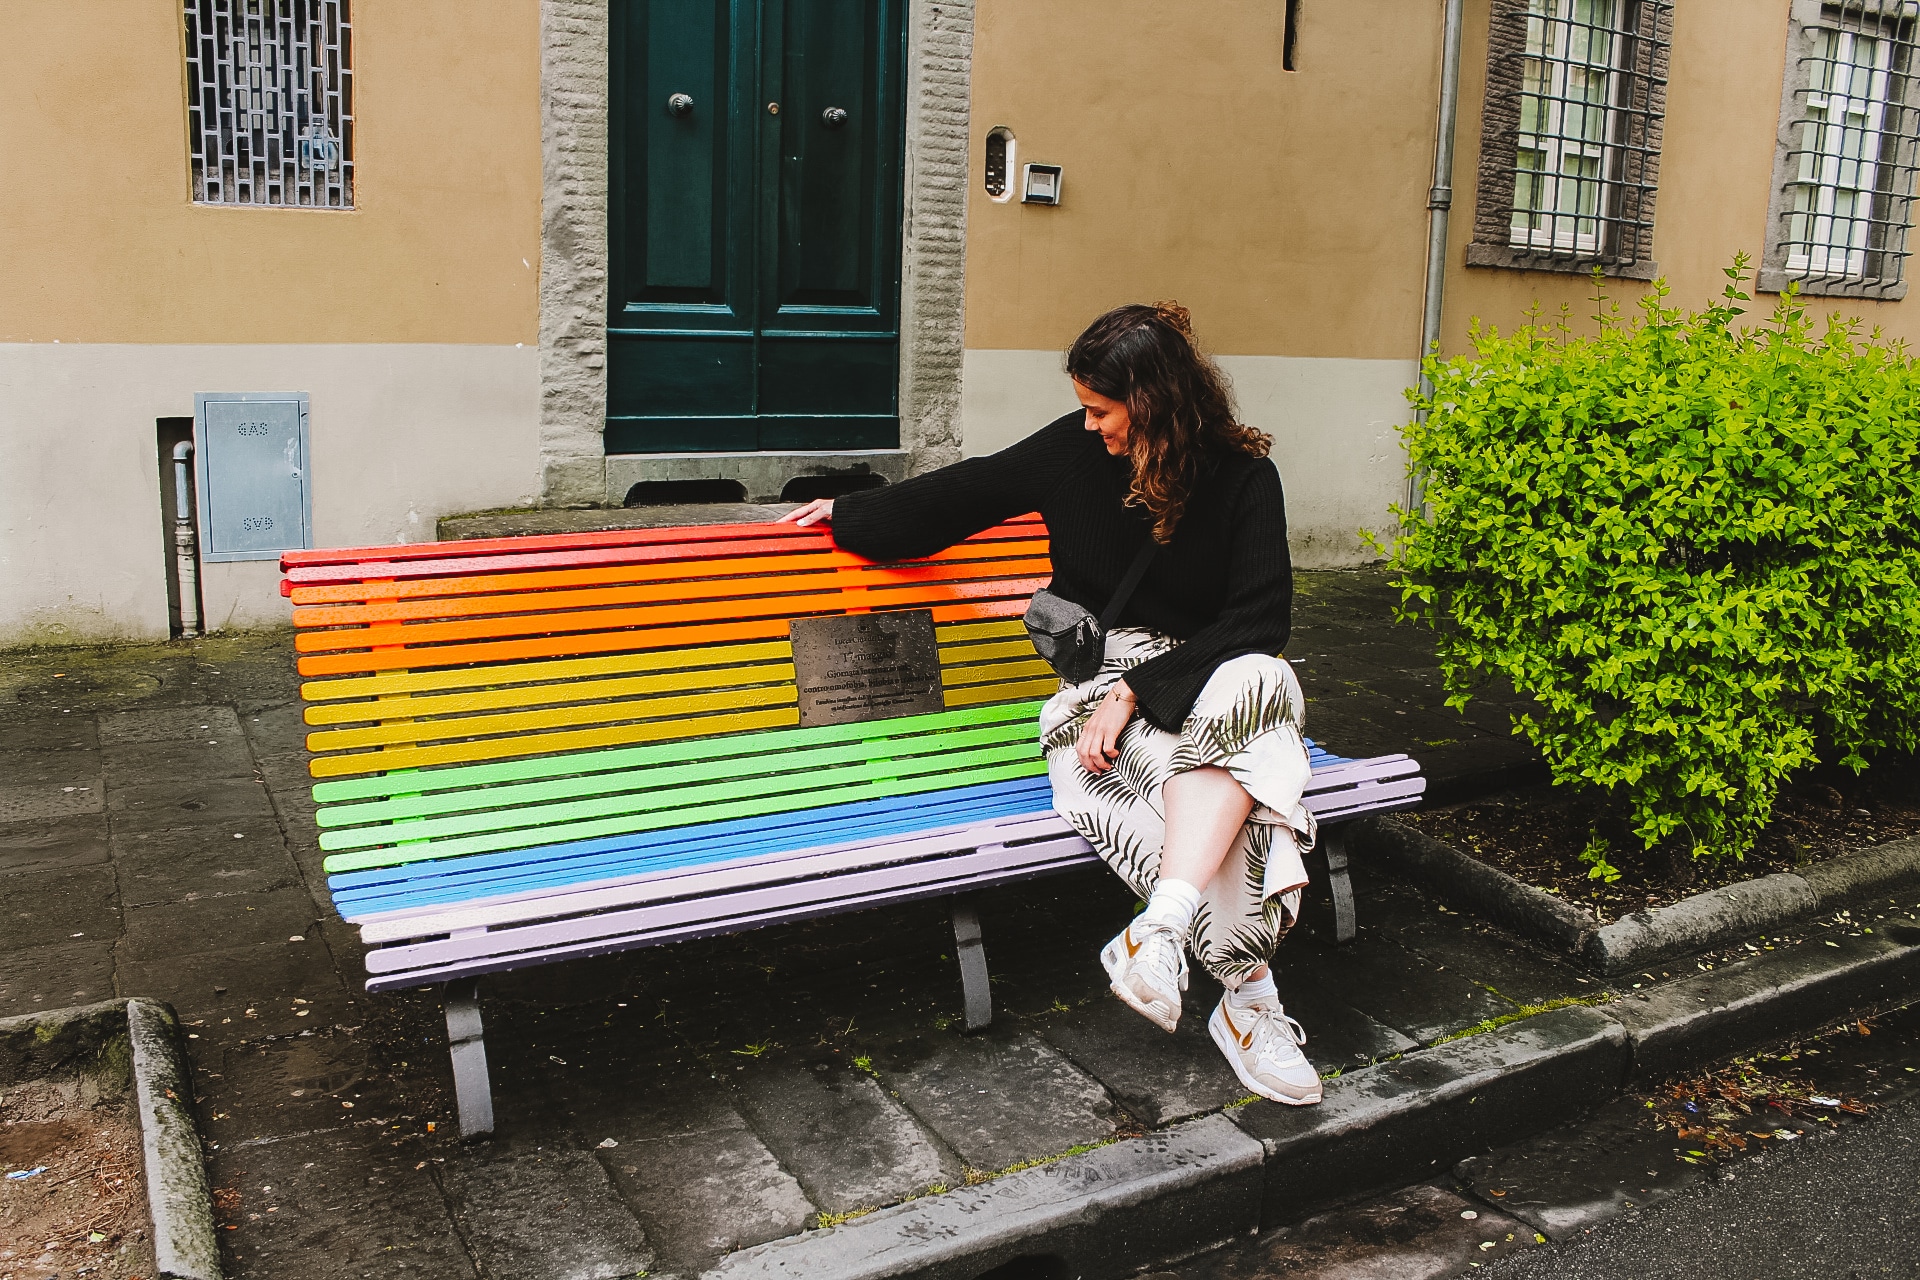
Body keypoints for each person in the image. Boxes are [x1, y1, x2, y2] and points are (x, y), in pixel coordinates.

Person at [779, 302, 1320, 1105]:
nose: (1090, 424)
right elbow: (966, 492)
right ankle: (1248, 1001)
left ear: (1156, 402)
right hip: (1092, 711)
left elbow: (1259, 620)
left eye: (1103, 410)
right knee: (1255, 783)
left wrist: (1143, 689)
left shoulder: (1243, 479)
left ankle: (1162, 931)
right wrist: (850, 513)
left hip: (1202, 692)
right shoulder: (1072, 455)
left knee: (1265, 681)